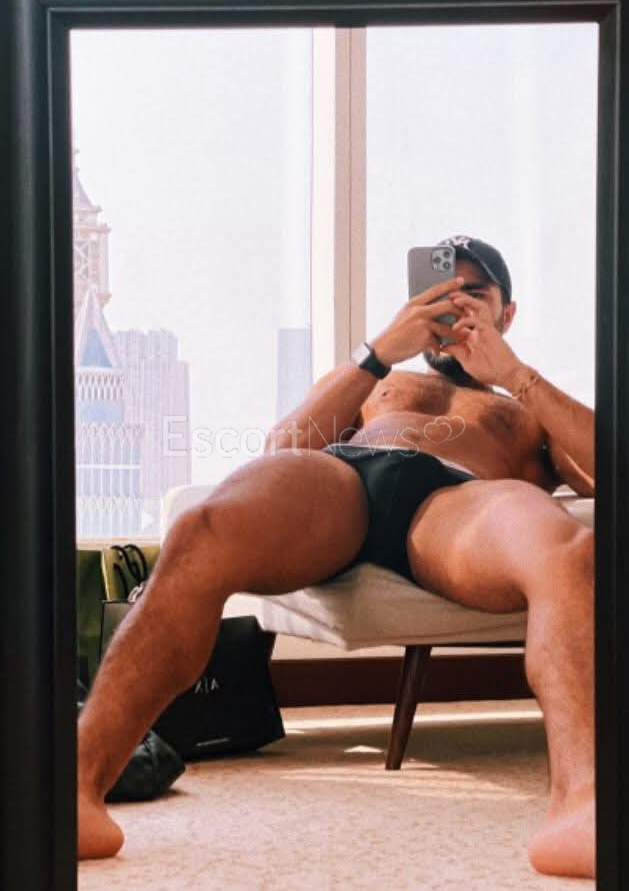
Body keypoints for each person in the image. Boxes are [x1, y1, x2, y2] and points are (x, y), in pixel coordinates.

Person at [78, 235, 595, 879]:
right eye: (438, 295)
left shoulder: (525, 409)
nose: (454, 308)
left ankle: (583, 804)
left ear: (506, 313)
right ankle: (78, 787)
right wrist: (377, 352)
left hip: (459, 503)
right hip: (342, 481)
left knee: (566, 551)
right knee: (203, 527)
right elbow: (284, 447)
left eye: (474, 295)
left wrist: (513, 373)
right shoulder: (383, 381)